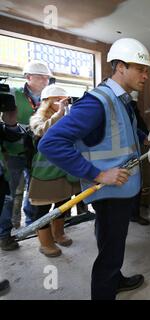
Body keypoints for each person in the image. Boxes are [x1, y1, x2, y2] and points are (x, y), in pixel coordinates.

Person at [38, 38, 150, 300]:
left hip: (121, 190)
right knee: (111, 250)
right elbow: (51, 143)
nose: (146, 76)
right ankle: (104, 290)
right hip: (109, 191)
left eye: (147, 70)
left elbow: (118, 133)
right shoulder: (97, 102)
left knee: (112, 244)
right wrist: (98, 174)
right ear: (121, 67)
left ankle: (114, 279)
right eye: (141, 69)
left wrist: (146, 139)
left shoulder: (121, 100)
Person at [28, 84, 80, 257]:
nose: (61, 103)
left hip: (64, 171)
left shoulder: (68, 117)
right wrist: (59, 115)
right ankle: (45, 242)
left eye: (63, 100)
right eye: (57, 100)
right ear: (47, 101)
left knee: (62, 205)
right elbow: (41, 131)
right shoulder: (37, 118)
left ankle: (58, 234)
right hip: (45, 175)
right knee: (41, 209)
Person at [2, 61, 51, 232]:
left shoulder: (48, 98)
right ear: (28, 77)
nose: (45, 81)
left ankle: (31, 225)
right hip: (13, 151)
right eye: (40, 77)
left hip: (36, 153)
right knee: (10, 192)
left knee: (33, 190)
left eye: (47, 78)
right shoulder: (13, 94)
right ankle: (8, 230)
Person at [0, 109, 24, 251]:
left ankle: (4, 236)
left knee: (7, 200)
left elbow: (11, 136)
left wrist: (10, 123)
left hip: (3, 169)